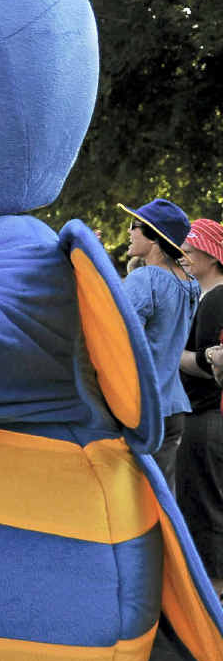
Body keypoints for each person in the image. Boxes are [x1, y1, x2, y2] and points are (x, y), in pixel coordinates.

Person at [117, 199, 199, 493]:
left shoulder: (146, 278)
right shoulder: (190, 283)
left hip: (142, 406)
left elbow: (117, 337)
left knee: (130, 500)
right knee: (161, 498)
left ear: (153, 235)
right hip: (173, 404)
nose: (129, 232)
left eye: (134, 226)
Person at [176, 218, 223, 593]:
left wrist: (171, 352)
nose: (185, 256)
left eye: (191, 250)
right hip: (205, 418)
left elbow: (209, 364)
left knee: (205, 511)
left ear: (212, 254)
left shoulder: (216, 298)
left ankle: (213, 598)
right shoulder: (205, 295)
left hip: (206, 416)